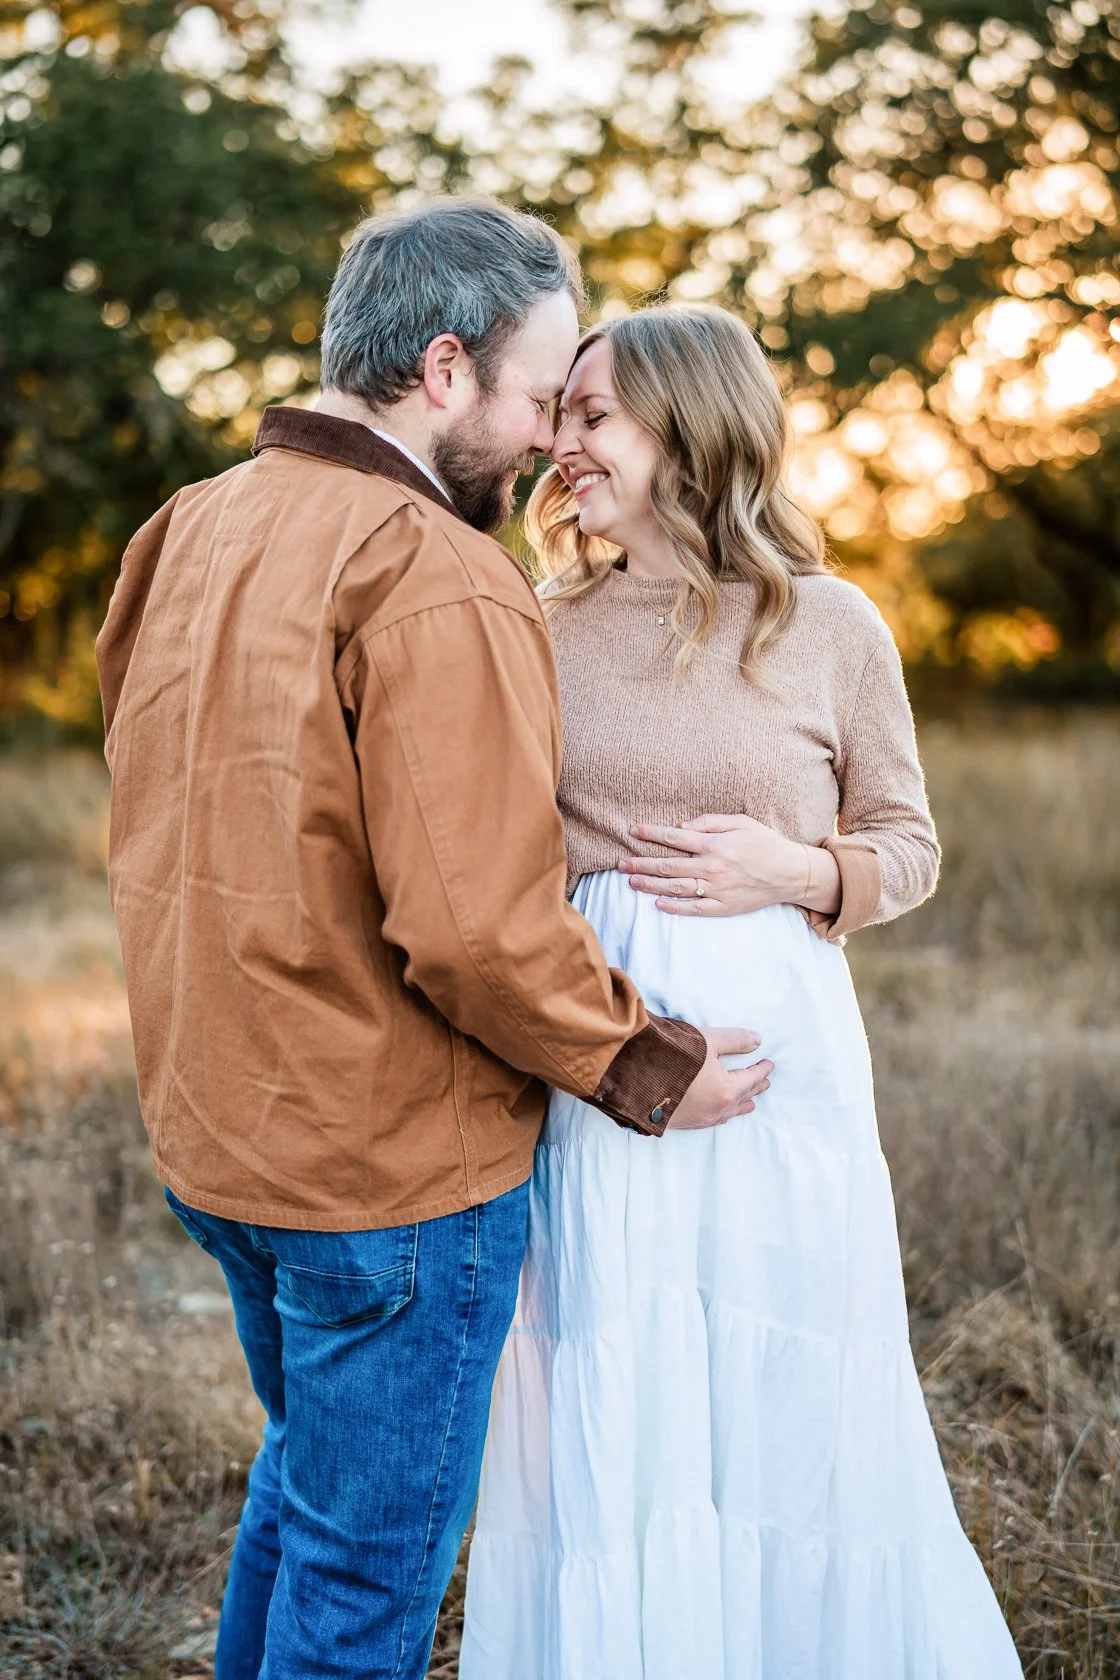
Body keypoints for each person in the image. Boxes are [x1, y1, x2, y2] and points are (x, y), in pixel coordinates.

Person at [94, 203, 776, 1680]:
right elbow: (476, 929)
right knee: (362, 1580)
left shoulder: (185, 530)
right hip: (385, 1181)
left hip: (218, 1138)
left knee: (303, 1493)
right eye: (542, 399)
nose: (546, 442)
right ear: (448, 370)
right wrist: (649, 1063)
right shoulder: (437, 574)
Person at [461, 304, 1024, 1679]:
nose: (561, 444)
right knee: (621, 1373)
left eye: (594, 417)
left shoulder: (832, 625)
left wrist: (799, 866)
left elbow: (910, 846)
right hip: (616, 1071)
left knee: (787, 1393)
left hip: (787, 1078)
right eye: (561, 416)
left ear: (691, 426)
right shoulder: (540, 627)